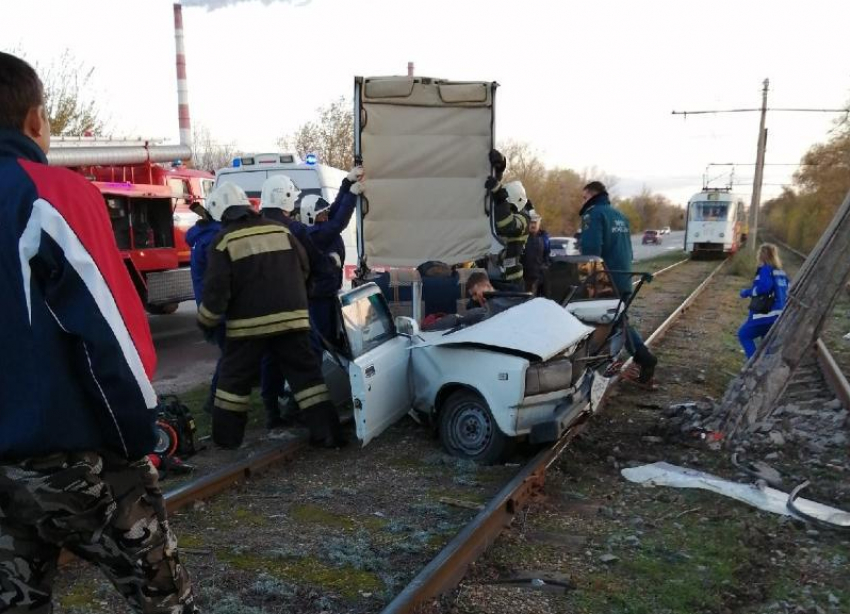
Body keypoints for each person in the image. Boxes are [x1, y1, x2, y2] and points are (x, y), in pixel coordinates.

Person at [0, 51, 197, 613]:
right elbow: (109, 329)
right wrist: (137, 437)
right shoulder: (49, 193)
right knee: (162, 599)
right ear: (35, 120)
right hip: (67, 457)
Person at [197, 182, 346, 449]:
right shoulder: (280, 230)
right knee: (308, 379)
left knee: (233, 383)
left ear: (221, 212)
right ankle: (328, 435)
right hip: (294, 319)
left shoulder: (223, 241)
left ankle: (227, 441)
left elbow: (216, 291)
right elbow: (305, 266)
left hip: (247, 327)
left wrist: (207, 322)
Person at [257, 170, 363, 427]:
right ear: (285, 201)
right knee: (311, 353)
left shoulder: (255, 228)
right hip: (300, 302)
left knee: (272, 356)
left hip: (265, 304)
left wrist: (347, 185)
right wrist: (328, 265)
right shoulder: (302, 231)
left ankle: (273, 408)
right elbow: (334, 225)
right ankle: (301, 406)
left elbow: (331, 216)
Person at [580, 180, 657, 385]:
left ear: (592, 195)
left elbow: (590, 253)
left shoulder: (593, 215)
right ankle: (639, 359)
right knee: (619, 321)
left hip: (606, 280)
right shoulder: (620, 216)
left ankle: (639, 359)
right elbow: (628, 250)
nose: (583, 201)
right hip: (623, 277)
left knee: (599, 319)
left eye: (584, 196)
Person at [185, 200, 223, 415]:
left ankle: (215, 400)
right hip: (220, 309)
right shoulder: (214, 239)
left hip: (208, 308)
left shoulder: (200, 237)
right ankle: (214, 401)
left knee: (230, 355)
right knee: (231, 356)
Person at [485, 149, 534, 290]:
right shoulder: (503, 209)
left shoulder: (524, 220)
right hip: (491, 276)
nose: (505, 207)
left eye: (508, 204)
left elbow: (506, 225)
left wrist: (500, 195)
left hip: (510, 282)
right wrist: (498, 170)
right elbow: (492, 201)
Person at [737, 243, 789, 358]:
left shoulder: (765, 269)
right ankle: (766, 367)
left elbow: (764, 287)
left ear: (762, 256)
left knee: (744, 334)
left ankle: (753, 365)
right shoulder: (781, 272)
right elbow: (788, 290)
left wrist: (746, 292)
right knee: (767, 343)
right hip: (779, 315)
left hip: (765, 315)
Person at [522, 210, 550, 294]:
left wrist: (545, 267)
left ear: (539, 223)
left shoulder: (544, 238)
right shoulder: (523, 238)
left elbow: (547, 255)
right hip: (525, 277)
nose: (533, 225)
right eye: (531, 222)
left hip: (540, 276)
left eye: (535, 222)